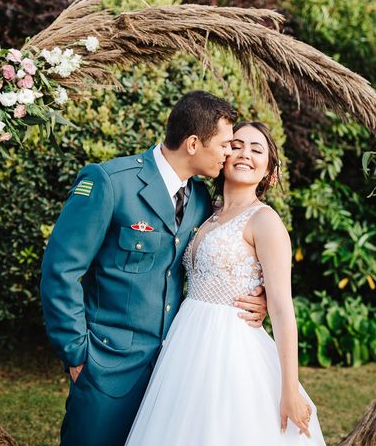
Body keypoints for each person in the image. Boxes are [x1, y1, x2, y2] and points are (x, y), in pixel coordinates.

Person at [40, 91, 269, 446]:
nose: (229, 153)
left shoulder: (201, 200)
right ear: (194, 143)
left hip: (174, 369)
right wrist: (76, 351)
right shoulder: (112, 182)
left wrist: (259, 295)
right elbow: (61, 270)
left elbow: (218, 259)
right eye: (225, 144)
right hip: (107, 365)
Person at [126, 121, 327, 445]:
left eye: (256, 149)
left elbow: (281, 307)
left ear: (270, 172)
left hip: (231, 349)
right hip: (186, 342)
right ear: (223, 156)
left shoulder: (265, 221)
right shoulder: (205, 210)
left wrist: (289, 386)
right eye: (237, 145)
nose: (245, 153)